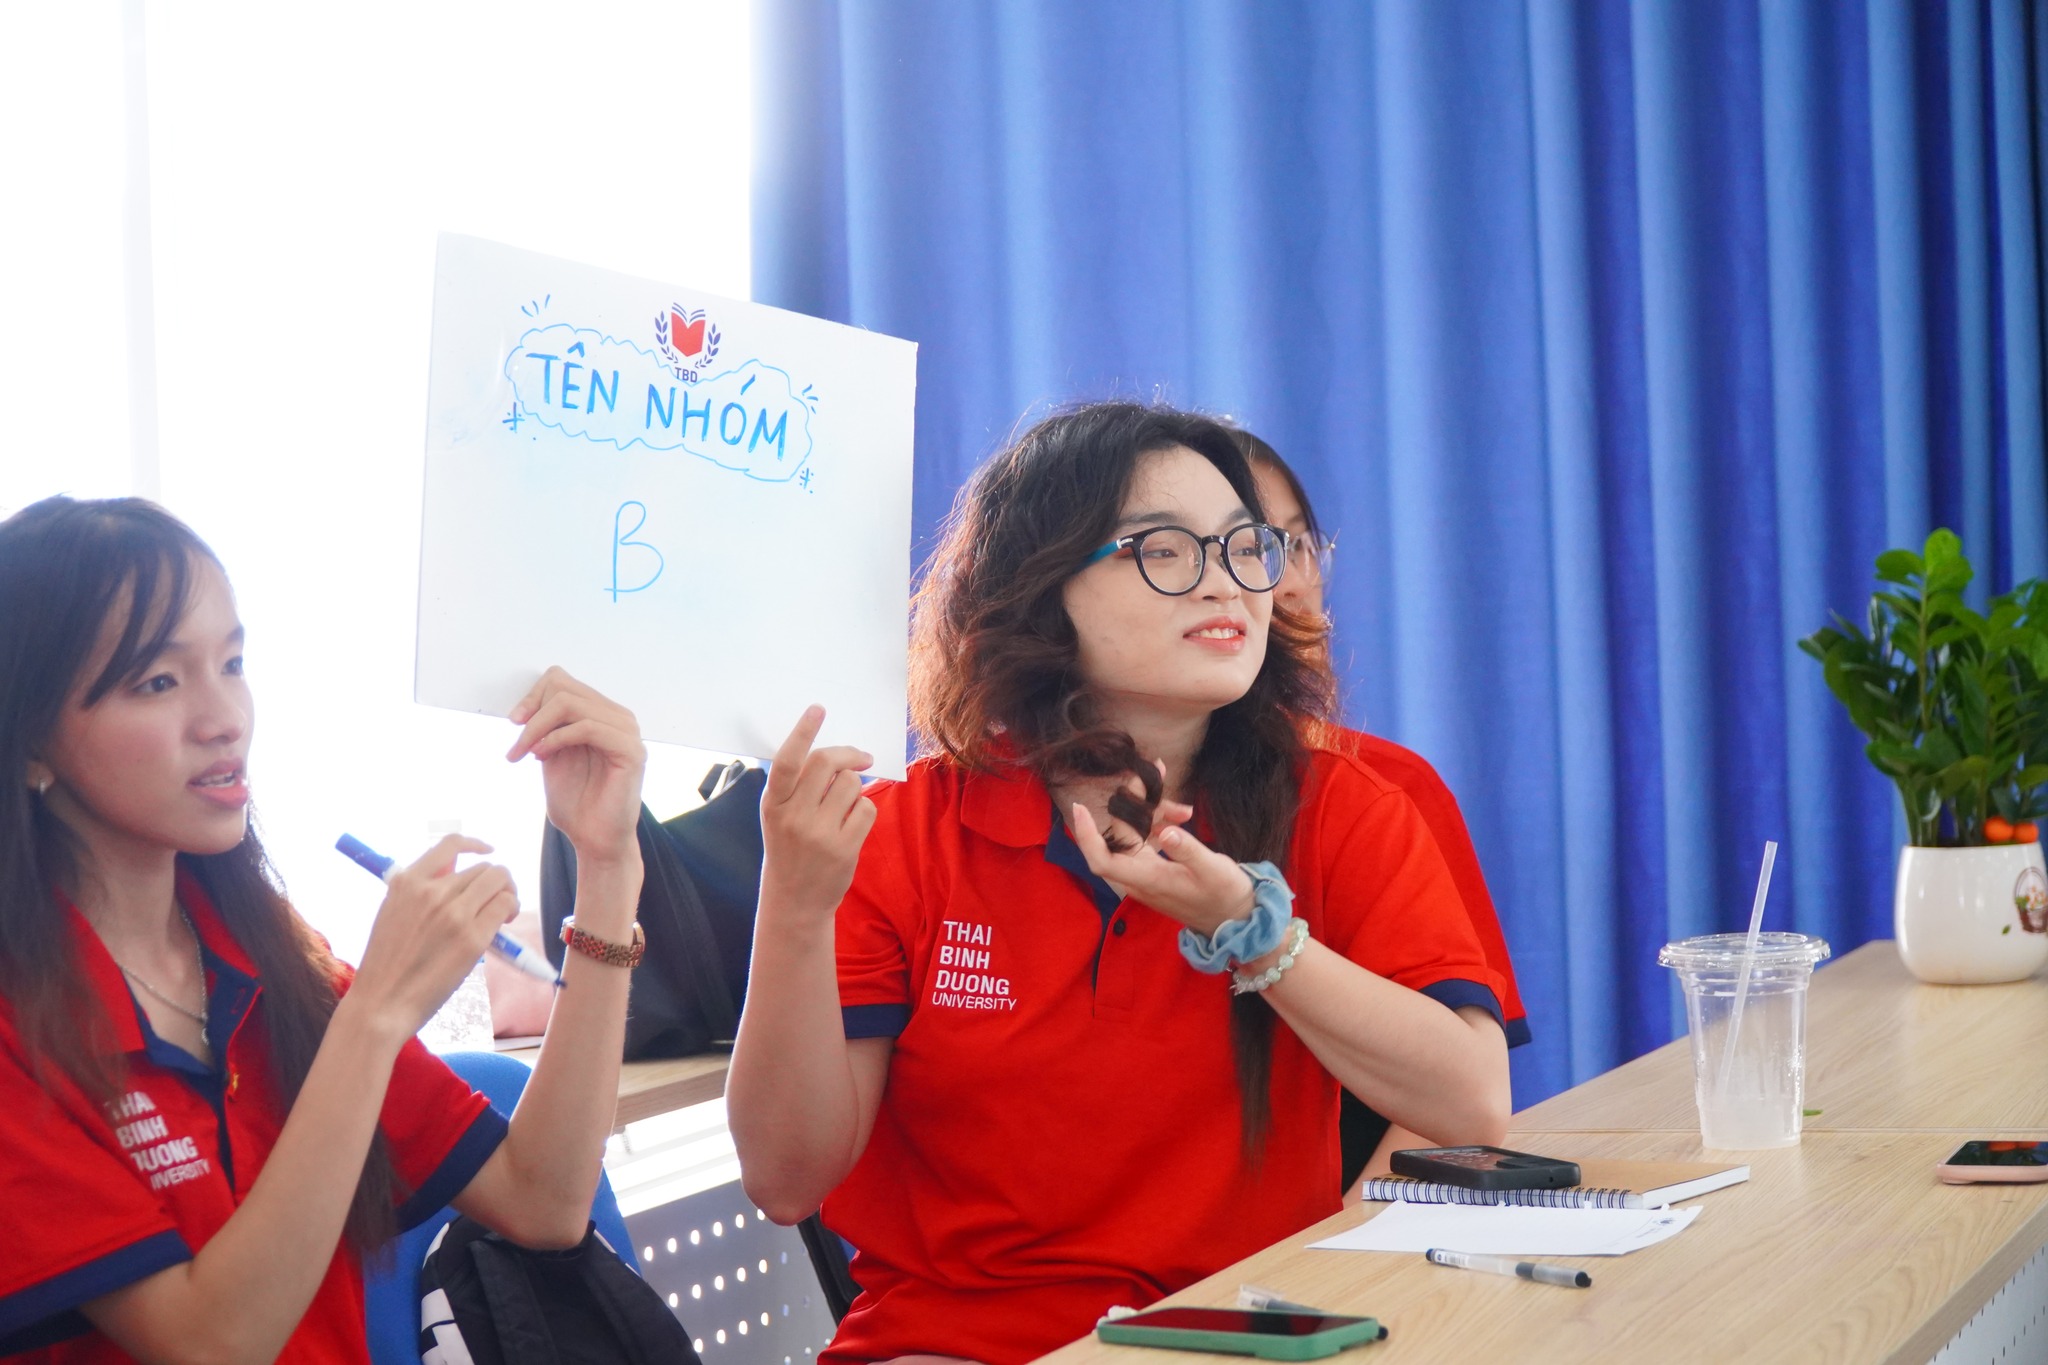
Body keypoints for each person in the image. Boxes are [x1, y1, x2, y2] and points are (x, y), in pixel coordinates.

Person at [727, 403, 1513, 1364]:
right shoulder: (905, 833)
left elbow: (1473, 1105)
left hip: (1241, 1338)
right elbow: (785, 1179)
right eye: (1164, 550)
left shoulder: (1344, 807)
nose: (1224, 581)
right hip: (961, 1346)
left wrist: (1254, 932)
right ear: (1039, 586)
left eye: (1244, 547)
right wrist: (795, 905)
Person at [0, 496, 648, 1363]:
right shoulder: (19, 1027)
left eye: (232, 663)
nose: (224, 717)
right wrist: (375, 1013)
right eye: (158, 680)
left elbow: (546, 1199)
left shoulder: (257, 951)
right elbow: (210, 1344)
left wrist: (607, 866)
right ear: (31, 742)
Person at [1230, 427, 1531, 1189]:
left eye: (1298, 545)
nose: (1289, 584)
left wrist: (1337, 1246)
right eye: (1251, 548)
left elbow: (1454, 1104)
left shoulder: (1387, 784)